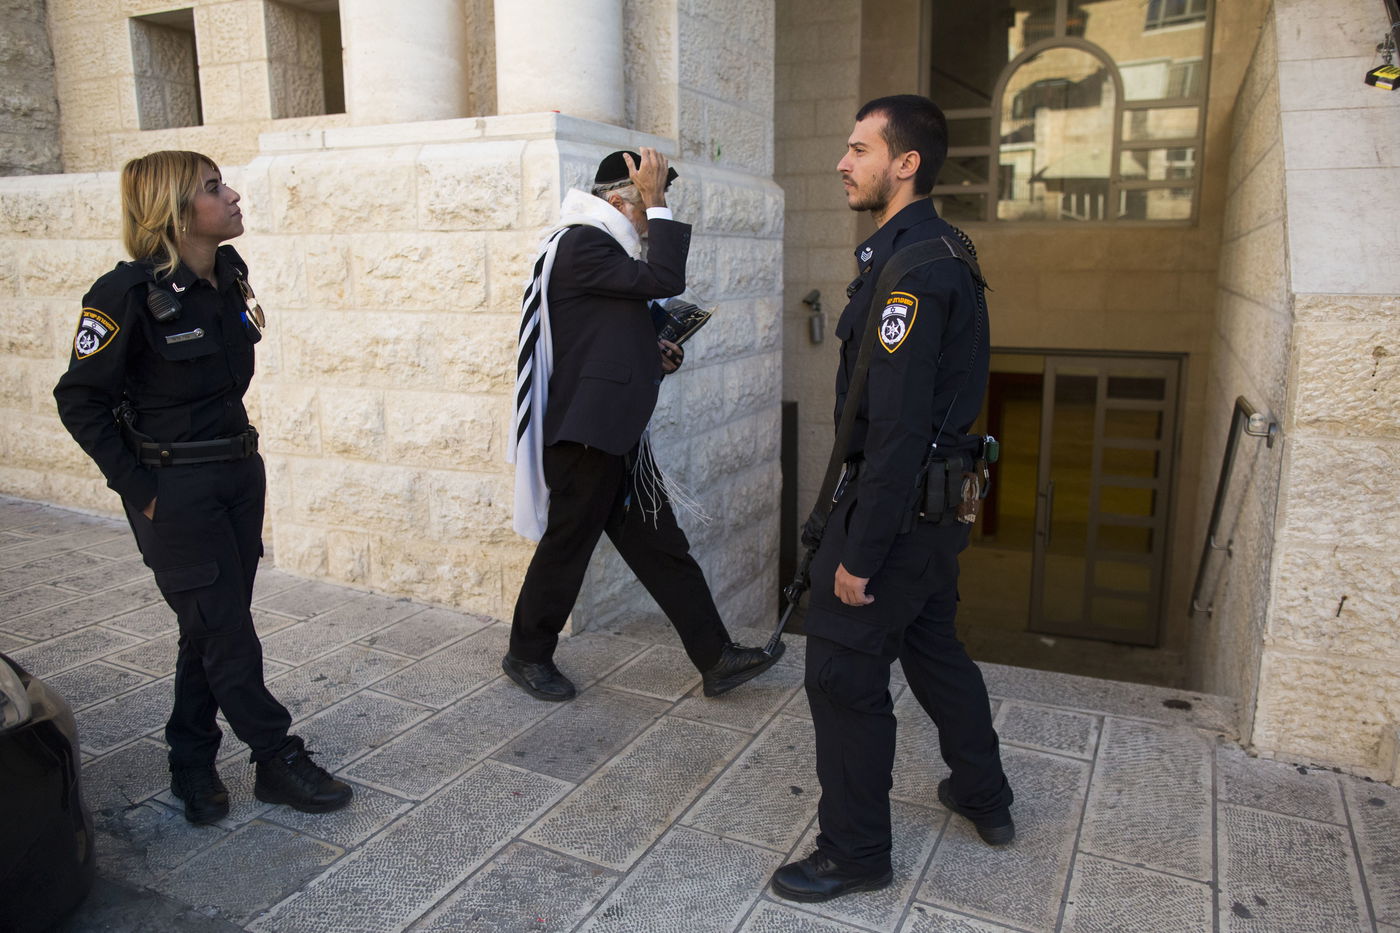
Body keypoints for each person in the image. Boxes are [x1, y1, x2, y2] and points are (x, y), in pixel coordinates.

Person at [53, 151, 352, 825]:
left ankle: (190, 758)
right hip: (174, 488)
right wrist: (141, 489)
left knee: (210, 625)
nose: (234, 195)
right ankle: (276, 755)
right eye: (215, 188)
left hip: (238, 473)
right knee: (226, 629)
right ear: (176, 210)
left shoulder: (228, 274)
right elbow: (79, 401)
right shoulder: (122, 294)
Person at [770, 96, 1014, 903]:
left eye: (858, 148)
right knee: (934, 646)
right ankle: (984, 794)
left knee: (841, 674)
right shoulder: (938, 249)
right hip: (935, 513)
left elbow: (899, 431)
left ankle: (855, 852)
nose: (843, 162)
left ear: (904, 164)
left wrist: (858, 555)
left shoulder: (913, 270)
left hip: (897, 512)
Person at [505, 147, 782, 702]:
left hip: (613, 431)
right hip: (587, 436)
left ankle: (716, 656)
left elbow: (602, 335)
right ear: (616, 200)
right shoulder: (583, 241)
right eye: (645, 205)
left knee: (662, 548)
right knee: (568, 546)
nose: (652, 215)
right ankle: (526, 654)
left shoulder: (602, 249)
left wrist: (654, 351)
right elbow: (663, 276)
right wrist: (657, 201)